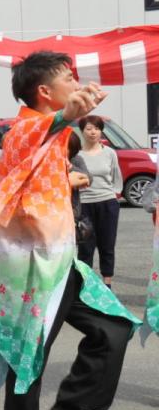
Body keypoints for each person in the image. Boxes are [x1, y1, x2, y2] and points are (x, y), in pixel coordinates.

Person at [0, 51, 137, 410]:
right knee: (26, 361)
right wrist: (73, 110)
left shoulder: (52, 136)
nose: (77, 83)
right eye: (68, 79)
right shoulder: (25, 129)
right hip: (31, 270)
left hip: (61, 261)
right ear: (45, 92)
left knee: (114, 328)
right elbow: (49, 125)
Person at [74, 116, 122, 288]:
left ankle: (107, 284)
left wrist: (113, 196)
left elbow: (117, 178)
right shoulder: (76, 155)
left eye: (96, 128)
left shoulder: (109, 153)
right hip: (84, 205)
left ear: (101, 130)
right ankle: (84, 285)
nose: (93, 132)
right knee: (85, 246)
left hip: (107, 203)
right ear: (82, 131)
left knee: (107, 244)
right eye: (88, 128)